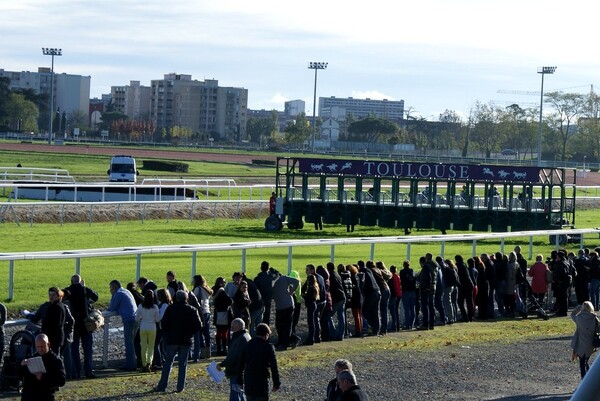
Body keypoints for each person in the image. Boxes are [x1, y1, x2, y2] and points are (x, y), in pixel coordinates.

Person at [155, 290, 202, 393]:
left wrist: (167, 333)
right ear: (186, 298)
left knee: (168, 362)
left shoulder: (170, 308)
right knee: (183, 364)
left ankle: (162, 385)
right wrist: (190, 333)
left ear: (177, 297)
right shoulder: (192, 309)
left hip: (172, 339)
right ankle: (180, 387)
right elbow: (199, 325)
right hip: (185, 340)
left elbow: (164, 323)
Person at [64, 274, 99, 379]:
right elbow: (95, 297)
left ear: (71, 281)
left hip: (74, 325)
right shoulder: (84, 289)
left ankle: (76, 372)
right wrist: (84, 287)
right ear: (80, 281)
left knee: (74, 350)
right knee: (88, 349)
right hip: (86, 324)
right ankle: (88, 371)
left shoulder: (68, 290)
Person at [237, 323, 280, 401]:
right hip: (262, 382)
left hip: (249, 381)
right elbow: (274, 367)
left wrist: (239, 381)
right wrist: (276, 384)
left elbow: (240, 365)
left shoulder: (247, 345)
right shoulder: (268, 347)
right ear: (266, 334)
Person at [20, 333, 66, 401]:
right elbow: (20, 375)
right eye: (38, 347)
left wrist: (43, 377)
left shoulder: (56, 361)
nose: (40, 349)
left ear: (48, 345)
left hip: (45, 396)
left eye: (42, 346)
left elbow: (61, 381)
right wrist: (22, 366)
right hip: (29, 396)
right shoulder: (32, 358)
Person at [106, 280, 139, 371]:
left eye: (111, 288)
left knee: (129, 343)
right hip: (136, 318)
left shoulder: (118, 294)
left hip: (129, 320)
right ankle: (133, 363)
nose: (110, 290)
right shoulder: (126, 291)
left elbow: (112, 308)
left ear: (115, 287)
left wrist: (113, 295)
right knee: (131, 342)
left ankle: (131, 365)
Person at [218, 318, 251, 401]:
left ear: (239, 327)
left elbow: (234, 357)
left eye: (233, 327)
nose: (231, 329)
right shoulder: (245, 336)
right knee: (240, 394)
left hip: (237, 371)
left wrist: (222, 364)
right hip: (241, 371)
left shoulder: (240, 339)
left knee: (235, 396)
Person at [272, 271, 301, 350]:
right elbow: (297, 281)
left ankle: (285, 344)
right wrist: (291, 291)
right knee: (280, 325)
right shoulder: (283, 278)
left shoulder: (282, 279)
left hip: (287, 305)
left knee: (285, 326)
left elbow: (297, 281)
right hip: (283, 305)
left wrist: (291, 292)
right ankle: (289, 340)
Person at [571, 301, 600, 378]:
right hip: (591, 344)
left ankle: (584, 380)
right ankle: (588, 377)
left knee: (582, 364)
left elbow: (572, 314)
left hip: (581, 345)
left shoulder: (579, 318)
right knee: (586, 361)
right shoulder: (595, 319)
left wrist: (578, 308)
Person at [136, 290, 160, 372]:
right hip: (152, 327)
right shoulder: (155, 307)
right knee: (151, 347)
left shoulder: (140, 306)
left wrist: (142, 319)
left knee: (143, 347)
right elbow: (157, 319)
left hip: (143, 327)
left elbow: (137, 318)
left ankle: (144, 364)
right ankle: (149, 362)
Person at [192, 274, 214, 361]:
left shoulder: (197, 289)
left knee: (200, 333)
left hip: (200, 312)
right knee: (207, 332)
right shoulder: (207, 289)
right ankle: (209, 352)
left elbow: (193, 298)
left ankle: (203, 352)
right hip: (207, 311)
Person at [43, 287, 66, 355]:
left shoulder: (57, 307)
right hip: (55, 338)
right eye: (50, 295)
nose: (51, 297)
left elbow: (56, 324)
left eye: (53, 295)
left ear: (58, 296)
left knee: (54, 359)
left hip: (54, 338)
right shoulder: (56, 305)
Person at [255, 261, 276, 326]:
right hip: (268, 300)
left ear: (261, 268)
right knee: (266, 318)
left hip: (260, 301)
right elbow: (279, 275)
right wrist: (274, 270)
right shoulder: (272, 277)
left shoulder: (258, 278)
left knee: (259, 318)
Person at [400, 260, 416, 330]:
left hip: (405, 291)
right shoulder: (412, 271)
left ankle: (407, 325)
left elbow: (402, 280)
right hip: (412, 291)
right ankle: (412, 324)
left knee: (406, 309)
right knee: (412, 308)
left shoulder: (402, 272)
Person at [388, 265, 402, 332]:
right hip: (399, 294)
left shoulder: (392, 277)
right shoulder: (397, 276)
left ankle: (394, 326)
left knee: (393, 311)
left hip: (395, 294)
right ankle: (397, 326)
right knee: (395, 311)